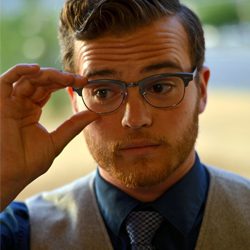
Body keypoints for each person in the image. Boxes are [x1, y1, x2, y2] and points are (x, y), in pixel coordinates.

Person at [1, 0, 250, 249]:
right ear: (75, 103)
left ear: (202, 90)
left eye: (160, 87)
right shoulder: (20, 232)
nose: (134, 119)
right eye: (103, 92)